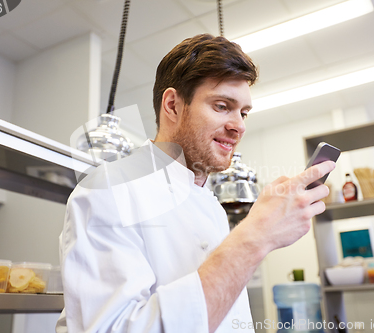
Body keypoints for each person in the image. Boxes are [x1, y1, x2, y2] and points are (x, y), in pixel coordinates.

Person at [56, 33, 335, 333]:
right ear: (173, 105)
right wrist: (255, 237)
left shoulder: (212, 206)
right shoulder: (109, 190)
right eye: (222, 106)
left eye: (243, 112)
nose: (239, 126)